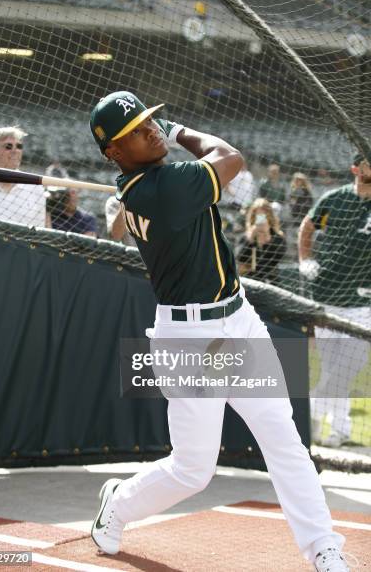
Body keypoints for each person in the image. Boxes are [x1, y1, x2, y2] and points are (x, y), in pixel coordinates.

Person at [88, 91, 348, 572]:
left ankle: (323, 549)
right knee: (193, 469)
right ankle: (119, 502)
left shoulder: (147, 186)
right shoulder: (163, 189)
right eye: (138, 132)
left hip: (237, 319)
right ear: (115, 153)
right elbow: (231, 158)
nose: (152, 131)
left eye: (153, 123)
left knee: (283, 440)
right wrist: (181, 129)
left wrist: (146, 160)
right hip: (185, 337)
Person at [299, 153, 371, 448]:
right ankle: (339, 430)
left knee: (348, 366)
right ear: (356, 168)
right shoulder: (334, 197)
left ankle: (310, 416)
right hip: (326, 295)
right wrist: (305, 260)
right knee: (331, 367)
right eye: (368, 161)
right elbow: (306, 226)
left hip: (364, 302)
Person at [237, 198, 286, 284]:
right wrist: (250, 239)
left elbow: (277, 258)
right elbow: (239, 258)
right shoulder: (246, 237)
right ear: (253, 217)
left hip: (271, 281)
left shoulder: (277, 237)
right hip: (249, 280)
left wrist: (267, 238)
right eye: (258, 216)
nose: (261, 220)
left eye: (263, 216)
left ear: (269, 217)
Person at [45, 164, 97, 237]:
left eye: (73, 192)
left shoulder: (87, 218)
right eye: (67, 193)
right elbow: (46, 237)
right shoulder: (51, 216)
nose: (71, 197)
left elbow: (88, 242)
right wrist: (47, 210)